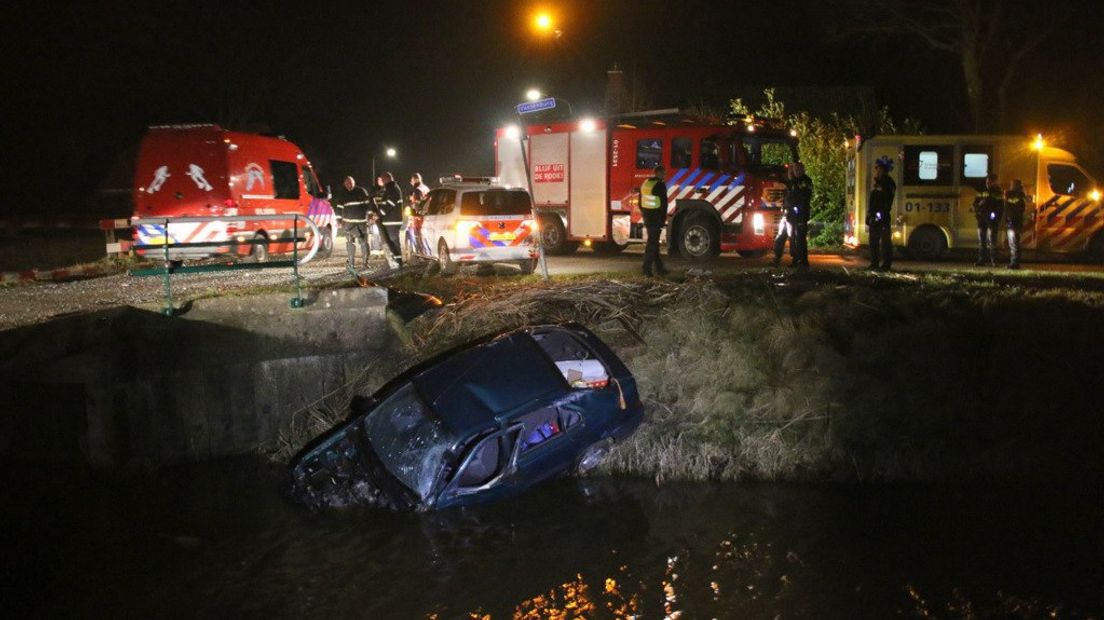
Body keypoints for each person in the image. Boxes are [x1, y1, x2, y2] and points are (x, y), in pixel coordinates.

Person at [334, 176, 371, 268]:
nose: (348, 185)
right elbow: (339, 208)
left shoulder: (361, 191)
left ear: (354, 182)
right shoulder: (343, 194)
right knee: (350, 243)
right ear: (344, 184)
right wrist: (338, 221)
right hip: (348, 224)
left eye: (350, 183)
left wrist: (370, 216)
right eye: (347, 183)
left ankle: (365, 263)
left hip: (361, 223)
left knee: (364, 243)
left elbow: (369, 204)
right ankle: (351, 264)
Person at [639, 164, 669, 276]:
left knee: (654, 243)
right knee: (652, 244)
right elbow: (663, 204)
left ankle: (659, 268)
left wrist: (645, 212)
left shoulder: (646, 183)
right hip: (656, 218)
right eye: (664, 173)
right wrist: (663, 219)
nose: (665, 175)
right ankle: (646, 270)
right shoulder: (660, 185)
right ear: (659, 173)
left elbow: (640, 202)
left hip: (647, 217)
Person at [867, 158, 896, 271]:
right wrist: (869, 213)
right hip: (875, 214)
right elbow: (873, 200)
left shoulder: (889, 183)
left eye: (878, 168)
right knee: (873, 240)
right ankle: (874, 263)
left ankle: (886, 265)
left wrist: (879, 213)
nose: (877, 171)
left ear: (884, 169)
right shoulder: (877, 183)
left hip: (883, 214)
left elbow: (886, 199)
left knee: (885, 241)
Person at [372, 172, 404, 268]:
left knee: (393, 241)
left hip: (392, 221)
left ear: (387, 179)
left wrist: (378, 214)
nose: (381, 181)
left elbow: (389, 204)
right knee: (390, 242)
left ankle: (398, 262)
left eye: (382, 179)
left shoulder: (393, 189)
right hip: (390, 220)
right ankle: (393, 262)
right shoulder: (391, 188)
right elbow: (385, 204)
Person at [786, 162, 814, 267]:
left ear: (803, 170)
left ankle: (803, 261)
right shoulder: (793, 181)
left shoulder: (806, 181)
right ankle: (795, 260)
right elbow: (789, 196)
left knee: (801, 238)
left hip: (801, 213)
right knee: (792, 238)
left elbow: (803, 196)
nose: (796, 172)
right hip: (792, 215)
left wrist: (793, 181)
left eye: (798, 170)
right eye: (794, 170)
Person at [974, 173, 1004, 266]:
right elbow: (975, 203)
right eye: (987, 182)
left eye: (990, 182)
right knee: (982, 242)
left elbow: (1000, 206)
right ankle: (981, 260)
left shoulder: (998, 192)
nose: (988, 183)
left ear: (994, 182)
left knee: (992, 242)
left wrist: (997, 217)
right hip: (982, 219)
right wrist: (978, 207)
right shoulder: (982, 190)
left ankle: (994, 261)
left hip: (991, 220)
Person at [772, 166, 794, 267]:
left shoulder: (795, 184)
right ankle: (776, 258)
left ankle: (796, 260)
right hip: (785, 215)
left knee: (793, 237)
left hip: (792, 216)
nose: (788, 174)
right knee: (780, 237)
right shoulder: (788, 185)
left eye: (790, 172)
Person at [1004, 178, 1028, 269]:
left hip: (1014, 222)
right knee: (1014, 243)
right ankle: (1014, 262)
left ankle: (1014, 263)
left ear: (1016, 186)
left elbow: (1014, 209)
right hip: (1013, 222)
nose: (1011, 186)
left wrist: (1007, 197)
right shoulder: (1018, 196)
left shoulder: (1018, 196)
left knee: (1014, 243)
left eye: (1012, 184)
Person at [408, 173, 431, 256]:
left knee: (418, 235)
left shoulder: (417, 190)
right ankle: (428, 253)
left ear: (417, 180)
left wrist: (412, 202)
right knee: (425, 235)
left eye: (412, 180)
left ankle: (423, 254)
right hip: (427, 214)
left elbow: (418, 204)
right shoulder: (426, 188)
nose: (411, 182)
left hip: (419, 216)